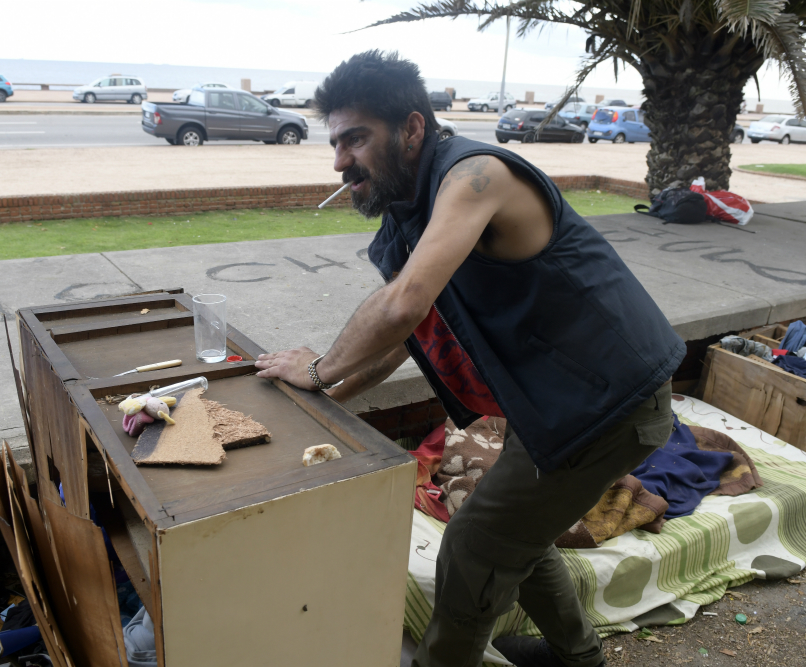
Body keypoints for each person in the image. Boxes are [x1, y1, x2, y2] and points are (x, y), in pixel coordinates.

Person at [254, 51, 685, 667]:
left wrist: (319, 368)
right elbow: (410, 335)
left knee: (473, 543)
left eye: (356, 138)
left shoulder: (476, 176)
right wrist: (319, 399)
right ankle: (580, 656)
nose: (341, 160)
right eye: (335, 143)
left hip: (609, 404)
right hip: (549, 409)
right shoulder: (410, 214)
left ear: (411, 129)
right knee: (519, 536)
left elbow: (403, 305)